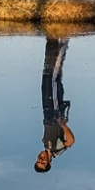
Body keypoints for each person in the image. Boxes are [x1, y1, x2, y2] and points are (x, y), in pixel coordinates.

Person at [34, 38, 75, 173]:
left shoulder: (46, 145)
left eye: (38, 160)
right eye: (43, 162)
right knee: (53, 76)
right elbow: (70, 141)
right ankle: (62, 41)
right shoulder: (56, 150)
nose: (40, 158)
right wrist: (63, 125)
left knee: (46, 76)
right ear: (49, 163)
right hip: (54, 110)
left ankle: (51, 42)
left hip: (46, 110)